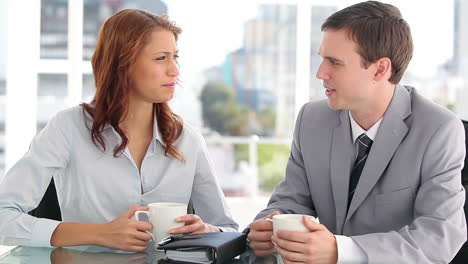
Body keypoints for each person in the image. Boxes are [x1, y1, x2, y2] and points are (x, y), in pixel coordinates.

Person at [0, 9, 238, 252]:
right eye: (161, 58)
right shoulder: (67, 128)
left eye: (175, 57)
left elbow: (228, 229)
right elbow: (3, 217)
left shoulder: (188, 140)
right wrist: (98, 234)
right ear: (122, 63)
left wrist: (206, 231)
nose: (174, 70)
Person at [247, 1, 466, 263]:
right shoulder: (312, 119)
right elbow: (291, 200)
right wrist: (268, 224)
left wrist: (339, 250)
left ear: (380, 69)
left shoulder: (438, 130)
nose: (320, 73)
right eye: (321, 58)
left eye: (334, 62)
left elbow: (439, 237)